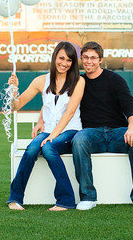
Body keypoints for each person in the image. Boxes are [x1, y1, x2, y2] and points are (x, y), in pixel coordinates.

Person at [6, 41, 85, 211]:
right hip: (49, 130)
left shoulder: (79, 81)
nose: (64, 63)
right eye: (61, 58)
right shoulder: (41, 81)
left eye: (69, 60)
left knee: (48, 148)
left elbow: (69, 113)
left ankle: (66, 200)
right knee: (32, 148)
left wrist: (52, 135)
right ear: (54, 57)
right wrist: (14, 89)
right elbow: (16, 106)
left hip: (70, 131)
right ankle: (16, 198)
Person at [71, 41, 133, 210]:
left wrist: (132, 127)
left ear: (100, 60)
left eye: (93, 58)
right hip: (92, 134)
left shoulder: (114, 79)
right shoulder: (78, 82)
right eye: (85, 57)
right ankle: (88, 197)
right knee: (78, 140)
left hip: (117, 133)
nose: (89, 61)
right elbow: (56, 98)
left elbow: (130, 105)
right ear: (81, 59)